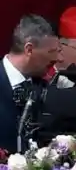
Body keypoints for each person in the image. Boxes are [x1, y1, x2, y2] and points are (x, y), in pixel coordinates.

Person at [0, 15, 61, 153]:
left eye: (58, 51)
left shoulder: (45, 89)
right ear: (29, 49)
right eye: (51, 52)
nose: (56, 58)